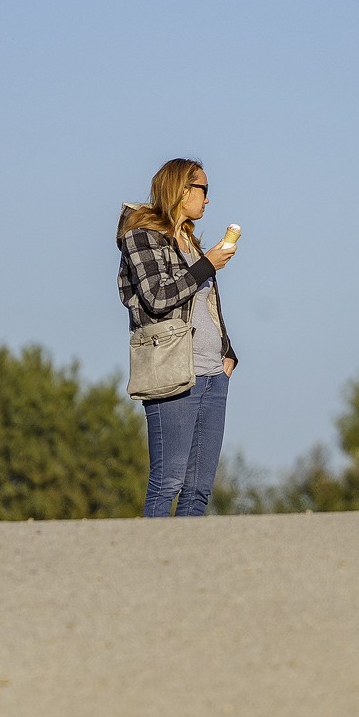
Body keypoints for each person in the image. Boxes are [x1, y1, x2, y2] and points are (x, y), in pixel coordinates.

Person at [117, 158, 238, 517]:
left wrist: (228, 352)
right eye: (204, 190)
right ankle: (152, 559)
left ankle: (186, 566)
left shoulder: (190, 242)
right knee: (168, 481)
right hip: (172, 371)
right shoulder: (140, 236)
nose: (207, 199)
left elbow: (206, 307)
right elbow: (157, 297)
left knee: (198, 489)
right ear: (182, 191)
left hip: (213, 375)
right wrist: (207, 265)